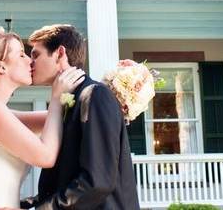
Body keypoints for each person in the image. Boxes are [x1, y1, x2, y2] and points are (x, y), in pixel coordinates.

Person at [13, 24, 141, 210]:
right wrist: (25, 204)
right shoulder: (68, 101)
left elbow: (97, 181)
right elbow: (66, 178)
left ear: (60, 53)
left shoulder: (94, 95)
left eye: (36, 54)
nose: (31, 62)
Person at [0, 26, 85, 210]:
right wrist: (57, 98)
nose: (30, 61)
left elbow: (69, 117)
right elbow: (46, 156)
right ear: (1, 66)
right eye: (21, 55)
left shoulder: (1, 112)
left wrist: (121, 91)